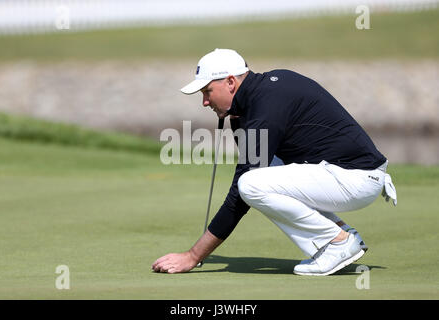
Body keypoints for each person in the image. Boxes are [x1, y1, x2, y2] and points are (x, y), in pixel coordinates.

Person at [152, 48, 397, 276]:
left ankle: (336, 243)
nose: (204, 102)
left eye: (207, 92)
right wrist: (238, 120)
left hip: (355, 178)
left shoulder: (265, 105)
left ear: (230, 82)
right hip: (347, 174)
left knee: (250, 184)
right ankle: (343, 232)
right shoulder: (257, 99)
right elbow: (262, 163)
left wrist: (194, 255)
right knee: (265, 170)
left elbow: (240, 193)